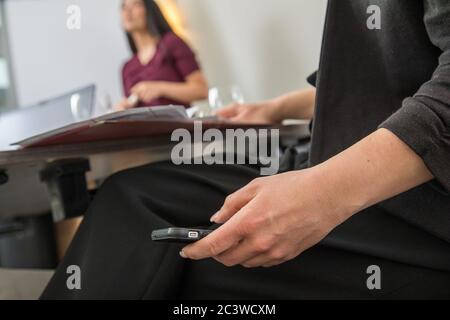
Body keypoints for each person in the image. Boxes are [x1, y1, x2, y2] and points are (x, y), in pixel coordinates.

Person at [41, 0, 450, 299]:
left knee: (138, 216)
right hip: (358, 182)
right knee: (134, 210)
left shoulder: (172, 46)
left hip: (418, 219)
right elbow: (381, 86)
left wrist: (324, 195)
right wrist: (275, 108)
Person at [116, 0, 208, 110]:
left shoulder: (171, 42)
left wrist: (160, 88)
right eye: (124, 7)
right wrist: (124, 108)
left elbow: (202, 90)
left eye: (136, 4)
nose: (128, 11)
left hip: (179, 125)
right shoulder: (127, 68)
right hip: (147, 127)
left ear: (150, 10)